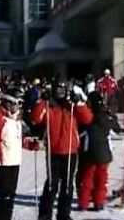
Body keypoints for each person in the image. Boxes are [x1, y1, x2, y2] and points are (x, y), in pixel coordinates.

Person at [31, 81, 93, 220]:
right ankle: (45, 214)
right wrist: (41, 100)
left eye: (63, 90)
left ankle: (64, 214)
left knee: (67, 185)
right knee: (52, 185)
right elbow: (35, 118)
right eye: (58, 90)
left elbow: (87, 119)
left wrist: (79, 103)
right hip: (53, 152)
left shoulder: (71, 106)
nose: (60, 93)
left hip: (70, 151)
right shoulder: (49, 105)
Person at [0, 88, 39, 220]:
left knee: (11, 195)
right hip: (3, 163)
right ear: (7, 102)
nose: (18, 106)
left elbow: (19, 140)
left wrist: (32, 145)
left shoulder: (17, 121)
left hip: (15, 161)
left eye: (20, 103)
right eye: (16, 103)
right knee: (5, 195)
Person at [77, 91, 121, 211]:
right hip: (105, 154)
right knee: (101, 180)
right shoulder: (106, 117)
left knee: (87, 180)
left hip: (91, 153)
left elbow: (79, 131)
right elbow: (117, 128)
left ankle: (84, 203)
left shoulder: (88, 118)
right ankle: (99, 202)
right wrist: (113, 118)